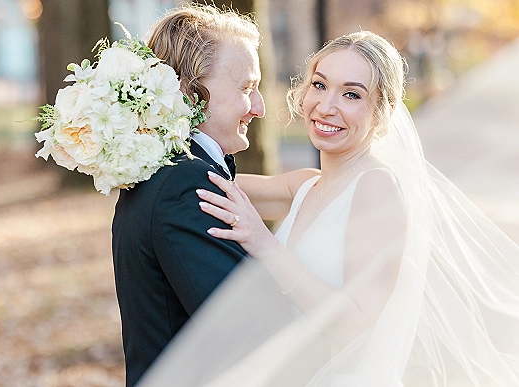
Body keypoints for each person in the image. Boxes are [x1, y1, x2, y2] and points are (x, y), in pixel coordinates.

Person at [138, 31, 519, 386]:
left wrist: (265, 245)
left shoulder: (378, 188)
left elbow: (357, 322)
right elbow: (197, 183)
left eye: (352, 94)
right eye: (320, 85)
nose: (327, 105)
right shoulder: (304, 184)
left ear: (382, 110)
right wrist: (127, 132)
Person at [111, 4, 265, 385]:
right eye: (247, 88)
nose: (259, 108)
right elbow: (248, 331)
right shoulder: (185, 184)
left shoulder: (171, 171)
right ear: (189, 89)